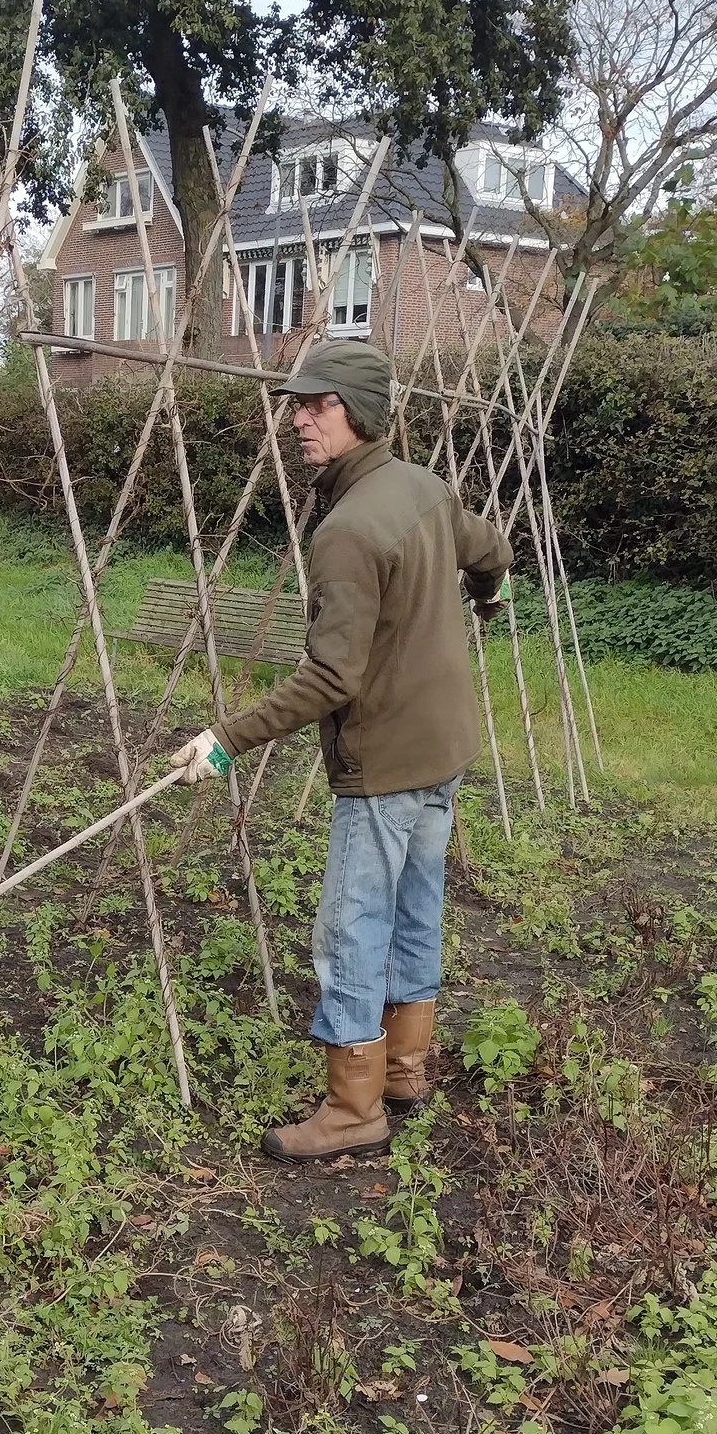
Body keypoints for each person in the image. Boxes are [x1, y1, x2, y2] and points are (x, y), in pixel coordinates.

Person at [170, 339, 508, 1161]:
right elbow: (492, 552)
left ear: (355, 412)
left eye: (316, 405)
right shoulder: (424, 488)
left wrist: (225, 739)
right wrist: (486, 594)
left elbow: (331, 676)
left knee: (352, 928)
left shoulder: (348, 529)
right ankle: (404, 1070)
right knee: (416, 909)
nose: (298, 419)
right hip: (443, 751)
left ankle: (354, 1108)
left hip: (385, 762)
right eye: (296, 405)